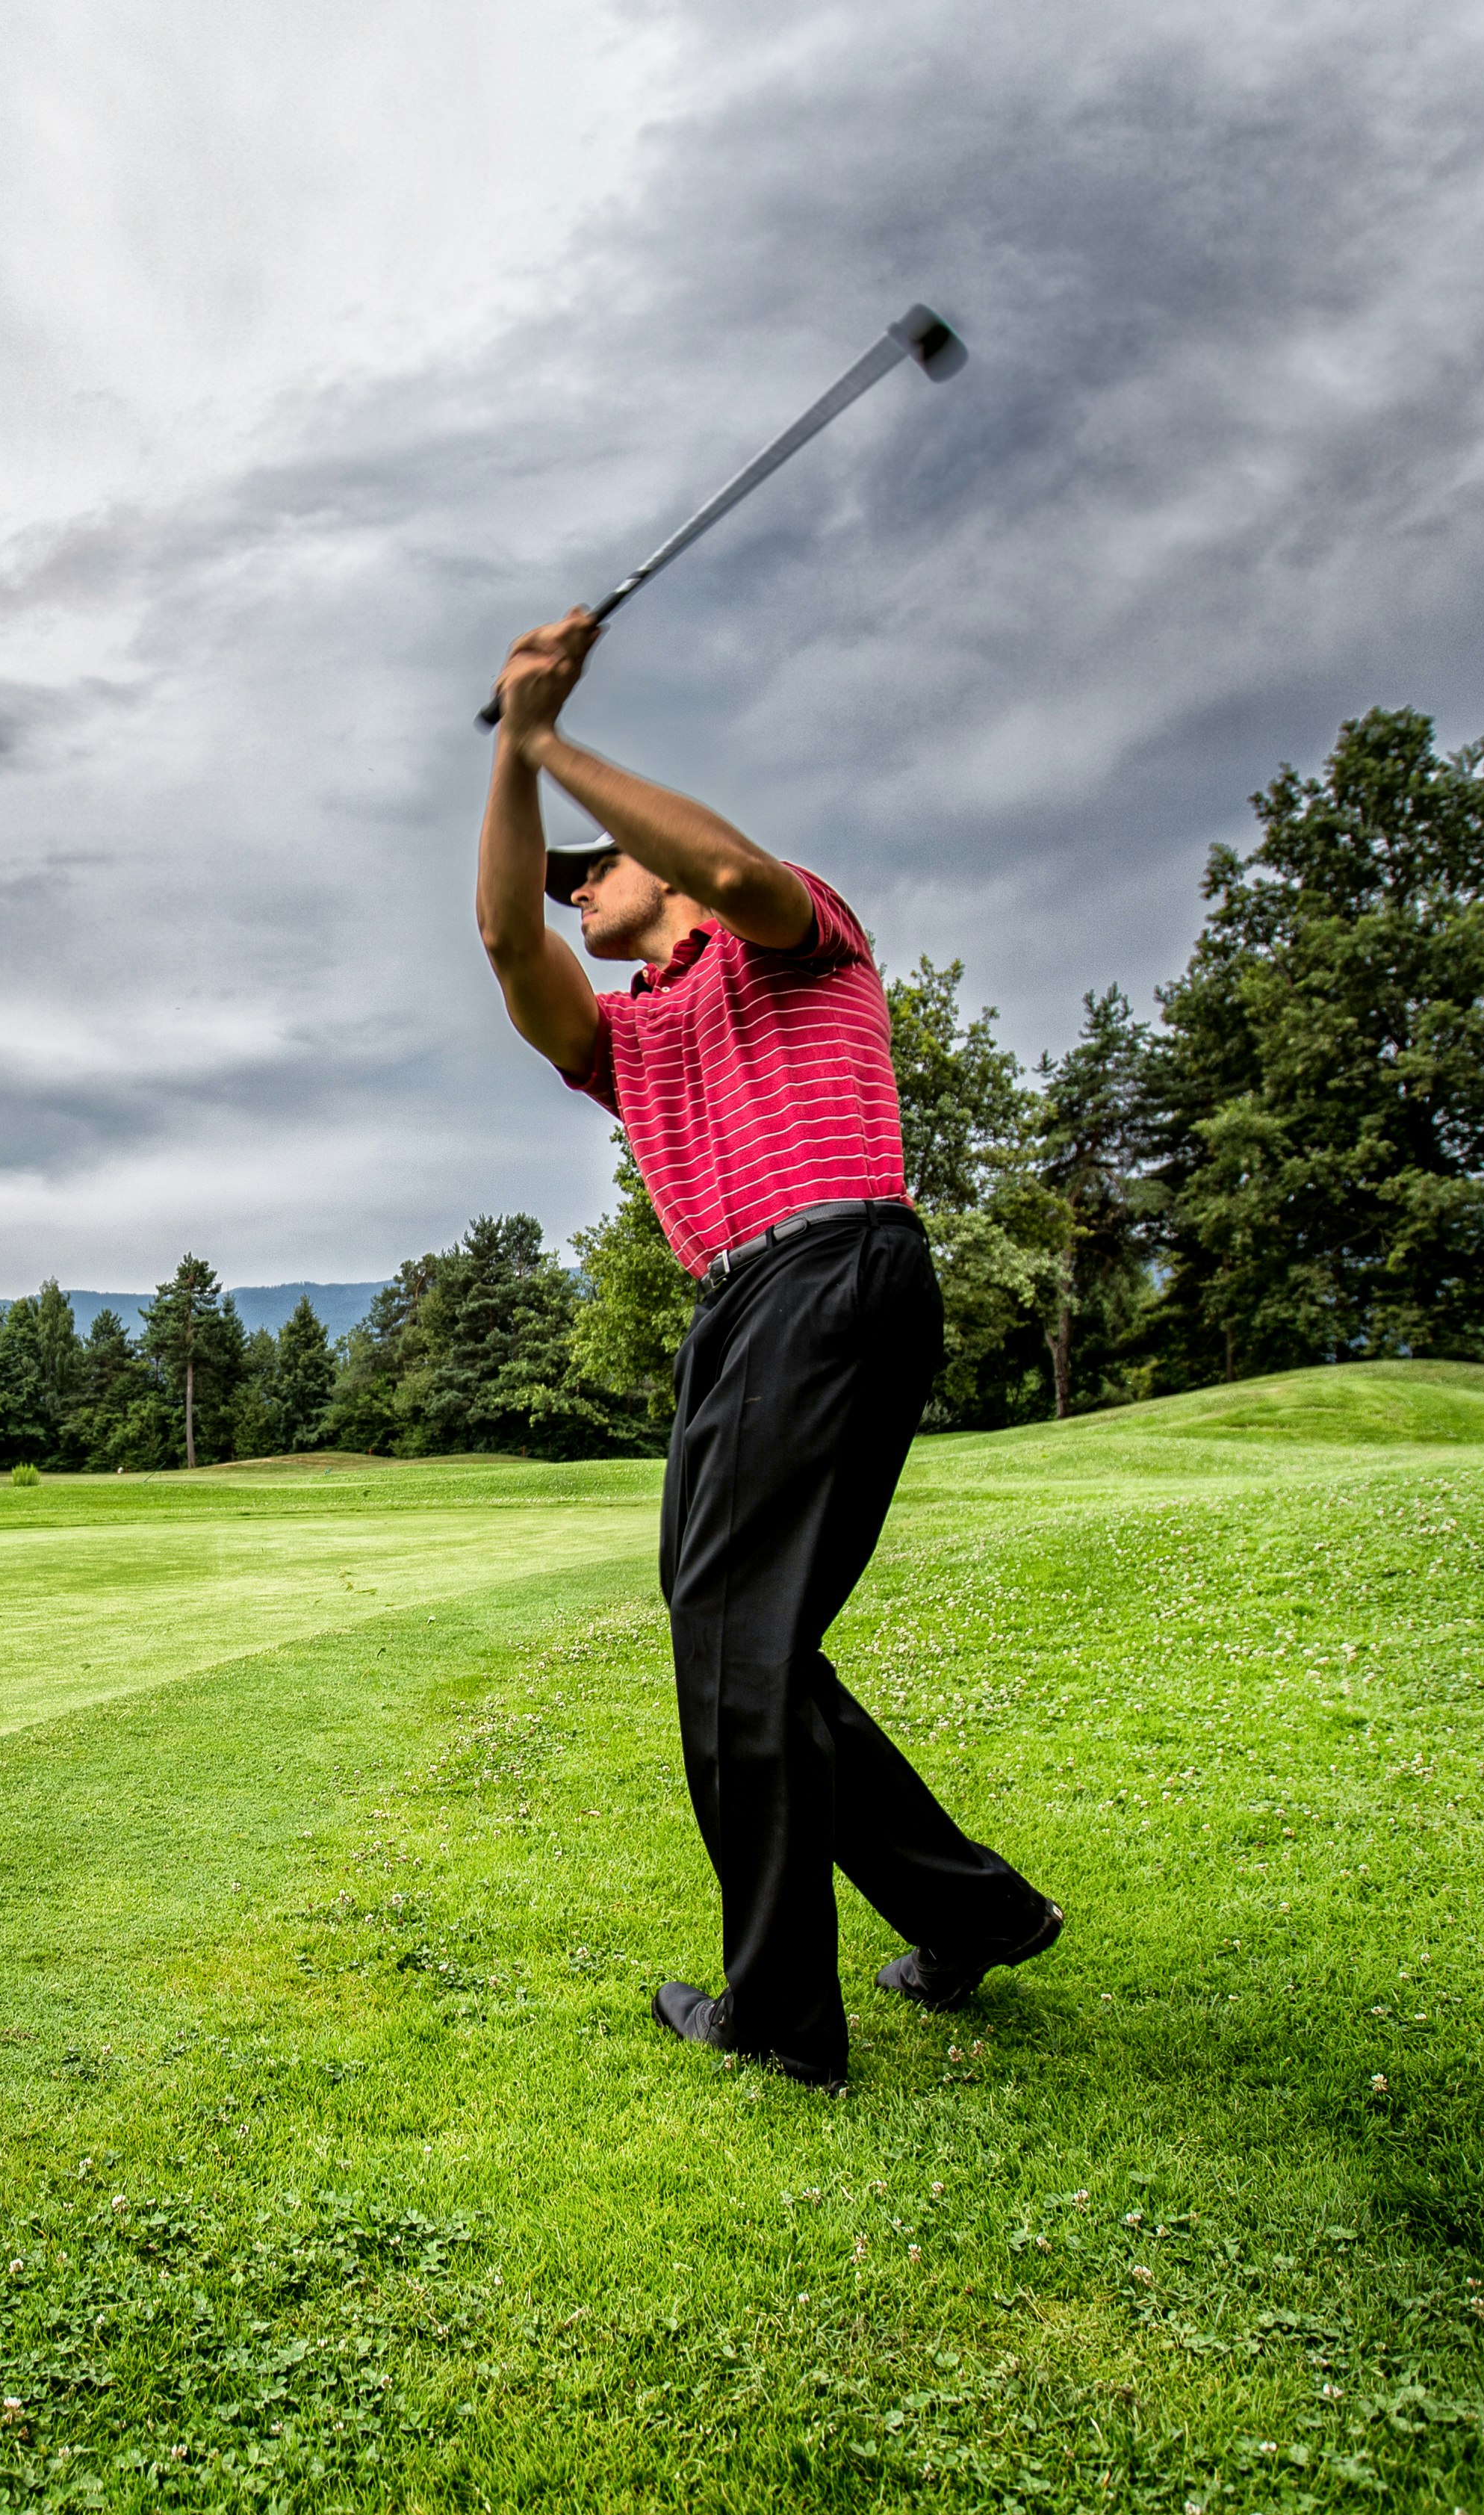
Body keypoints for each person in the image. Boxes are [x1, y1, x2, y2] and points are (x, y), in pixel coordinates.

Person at [474, 607, 1060, 2089]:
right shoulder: (631, 1038)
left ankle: (782, 2017)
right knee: (752, 1647)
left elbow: (731, 870)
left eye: (592, 866)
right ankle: (969, 1913)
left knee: (736, 1648)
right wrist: (517, 764)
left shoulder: (793, 937)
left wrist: (551, 734)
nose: (572, 890)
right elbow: (501, 938)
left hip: (831, 1266)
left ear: (654, 866)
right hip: (747, 1312)